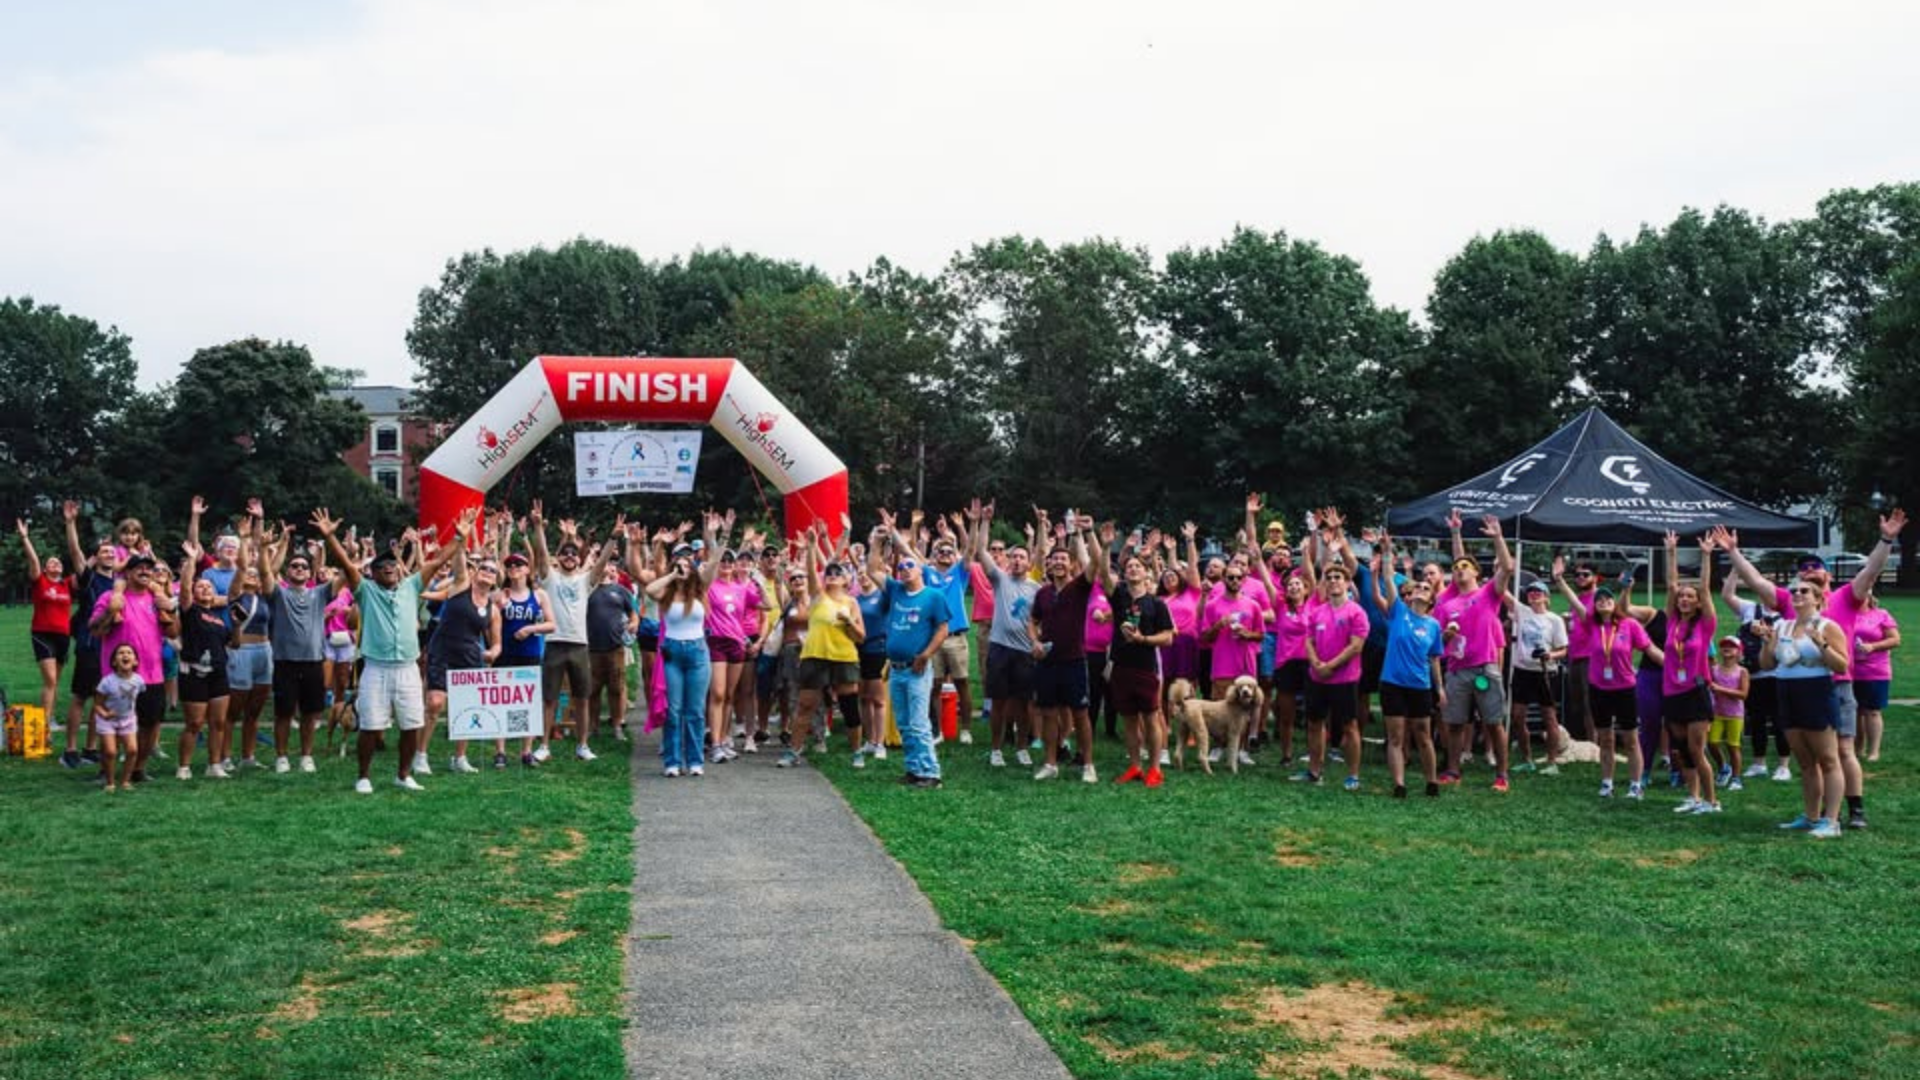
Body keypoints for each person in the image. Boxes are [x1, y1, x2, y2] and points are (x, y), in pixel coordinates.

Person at [1719, 510, 1906, 829]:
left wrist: (1886, 539)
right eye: (1802, 574)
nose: (1806, 579)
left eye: (1814, 571)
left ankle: (1854, 810)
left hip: (1836, 684)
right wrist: (1734, 552)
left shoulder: (1846, 597)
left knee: (1843, 751)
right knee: (1809, 757)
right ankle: (1814, 815)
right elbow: (1756, 581)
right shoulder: (1790, 604)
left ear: (1827, 577)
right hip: (1796, 687)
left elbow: (1871, 569)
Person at [313, 506, 470, 794]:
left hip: (408, 668)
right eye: (382, 567)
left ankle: (403, 774)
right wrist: (331, 537)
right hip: (376, 668)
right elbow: (348, 566)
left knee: (411, 724)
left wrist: (459, 538)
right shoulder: (366, 591)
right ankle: (363, 776)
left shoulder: (411, 586)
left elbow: (437, 562)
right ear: (372, 574)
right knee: (371, 726)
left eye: (392, 566)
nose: (389, 569)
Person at [1556, 559, 1658, 799]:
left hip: (1624, 689)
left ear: (1614, 604)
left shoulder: (1629, 625)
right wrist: (1559, 580)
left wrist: (1672, 665)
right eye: (1599, 600)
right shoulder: (1591, 625)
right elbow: (1573, 601)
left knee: (1631, 739)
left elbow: (1651, 650)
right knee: (1606, 738)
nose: (1603, 602)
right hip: (1599, 689)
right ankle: (1607, 783)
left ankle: (1635, 785)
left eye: (1607, 600)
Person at [1756, 577, 1850, 838]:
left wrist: (1821, 643)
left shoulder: (1828, 626)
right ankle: (1811, 816)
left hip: (1817, 692)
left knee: (1828, 760)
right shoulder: (1782, 625)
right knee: (1805, 761)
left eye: (1804, 591)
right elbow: (1766, 665)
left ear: (1818, 598)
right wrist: (1766, 641)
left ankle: (1831, 821)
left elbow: (1842, 666)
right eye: (1793, 590)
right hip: (1787, 692)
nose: (1797, 594)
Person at [1433, 513, 1515, 790]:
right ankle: (1453, 771)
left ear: (1477, 573)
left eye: (1466, 566)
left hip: (1485, 667)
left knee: (1493, 723)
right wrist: (1447, 636)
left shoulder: (1488, 593)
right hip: (1457, 671)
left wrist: (1498, 538)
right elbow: (1439, 643)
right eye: (1456, 568)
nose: (1459, 569)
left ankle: (1502, 775)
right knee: (1455, 724)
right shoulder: (1447, 604)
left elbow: (1507, 567)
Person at [1026, 511, 1106, 783]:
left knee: (1080, 714)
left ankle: (1088, 764)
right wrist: (1035, 641)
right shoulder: (1043, 593)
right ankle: (1050, 763)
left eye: (1063, 559)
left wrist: (1089, 532)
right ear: (1047, 565)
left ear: (1071, 565)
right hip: (1048, 662)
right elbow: (1033, 620)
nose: (1058, 563)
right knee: (1048, 713)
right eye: (1054, 559)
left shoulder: (1080, 587)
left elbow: (1096, 561)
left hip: (1074, 660)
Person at [645, 516, 723, 777]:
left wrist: (718, 536)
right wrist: (672, 574)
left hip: (698, 652)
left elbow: (713, 563)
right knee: (674, 710)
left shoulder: (700, 591)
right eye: (678, 564)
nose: (682, 568)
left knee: (695, 710)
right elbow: (649, 589)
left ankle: (695, 760)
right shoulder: (666, 594)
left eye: (686, 565)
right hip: (672, 653)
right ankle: (672, 761)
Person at [782, 527, 866, 769]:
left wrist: (849, 621)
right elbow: (810, 571)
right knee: (806, 704)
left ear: (847, 580)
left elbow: (860, 637)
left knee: (849, 706)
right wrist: (809, 547)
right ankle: (794, 751)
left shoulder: (851, 603)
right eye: (828, 572)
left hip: (843, 657)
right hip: (815, 656)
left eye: (837, 572)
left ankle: (856, 752)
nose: (831, 574)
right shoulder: (818, 596)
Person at [964, 499, 1040, 769]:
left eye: (1022, 557)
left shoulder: (1036, 588)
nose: (1017, 560)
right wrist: (984, 520)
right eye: (1014, 556)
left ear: (1029, 562)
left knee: (1023, 704)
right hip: (999, 648)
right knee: (998, 702)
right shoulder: (1000, 579)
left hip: (1024, 651)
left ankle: (1021, 748)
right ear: (1007, 562)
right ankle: (996, 749)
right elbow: (981, 551)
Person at [1368, 538, 1443, 798]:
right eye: (1418, 586)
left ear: (1432, 599)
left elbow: (1434, 659)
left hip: (1420, 685)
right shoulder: (1399, 611)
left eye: (1425, 587)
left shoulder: (1434, 626)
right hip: (1393, 683)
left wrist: (1440, 689)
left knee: (1423, 735)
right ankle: (1399, 784)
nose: (1420, 589)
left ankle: (1431, 781)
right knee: (1396, 736)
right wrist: (1387, 552)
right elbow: (1388, 578)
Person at [88, 552, 170, 784]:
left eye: (149, 568)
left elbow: (173, 633)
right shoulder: (111, 597)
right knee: (110, 724)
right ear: (128, 573)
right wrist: (111, 610)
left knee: (151, 722)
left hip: (152, 674)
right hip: (117, 677)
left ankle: (138, 769)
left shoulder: (156, 599)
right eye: (139, 568)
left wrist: (170, 610)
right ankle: (107, 772)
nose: (145, 571)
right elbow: (94, 630)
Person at [1298, 522, 1369, 790]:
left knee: (1349, 726)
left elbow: (1356, 646)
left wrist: (1330, 665)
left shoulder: (1356, 612)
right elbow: (1308, 640)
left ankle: (1353, 775)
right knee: (1315, 724)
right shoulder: (1317, 611)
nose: (1332, 581)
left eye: (1338, 577)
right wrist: (1317, 664)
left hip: (1345, 679)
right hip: (1318, 677)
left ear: (1348, 582)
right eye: (1329, 578)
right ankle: (1314, 771)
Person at [260, 523, 334, 775]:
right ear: (287, 570)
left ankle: (306, 756)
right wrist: (265, 548)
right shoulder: (279, 594)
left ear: (310, 571)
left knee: (311, 714)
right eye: (294, 565)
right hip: (285, 663)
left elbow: (347, 574)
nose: (299, 569)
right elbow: (265, 575)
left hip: (313, 662)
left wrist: (331, 539)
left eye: (304, 566)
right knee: (283, 713)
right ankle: (281, 757)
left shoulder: (321, 593)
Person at [879, 541, 952, 787]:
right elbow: (872, 569)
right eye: (900, 567)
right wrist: (878, 539)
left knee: (919, 723)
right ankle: (914, 769)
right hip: (897, 669)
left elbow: (943, 629)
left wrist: (925, 655)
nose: (904, 569)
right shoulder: (896, 591)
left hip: (917, 669)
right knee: (904, 723)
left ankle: (931, 773)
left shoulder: (933, 597)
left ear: (921, 570)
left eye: (910, 565)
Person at [425, 545, 502, 775]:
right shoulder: (460, 586)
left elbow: (497, 643)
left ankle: (460, 757)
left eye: (492, 570)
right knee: (435, 703)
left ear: (497, 580)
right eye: (484, 568)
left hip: (469, 658)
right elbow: (459, 563)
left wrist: (493, 653)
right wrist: (461, 539)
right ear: (476, 572)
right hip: (443, 652)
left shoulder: (493, 609)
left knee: (467, 709)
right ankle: (420, 755)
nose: (487, 571)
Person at [1661, 531, 1721, 815]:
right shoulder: (1672, 621)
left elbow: (1707, 589)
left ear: (1697, 603)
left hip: (1696, 691)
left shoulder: (1705, 625)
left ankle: (1712, 801)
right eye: (1682, 596)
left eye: (1690, 597)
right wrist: (1671, 552)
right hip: (1672, 691)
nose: (1684, 599)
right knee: (1681, 749)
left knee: (1698, 750)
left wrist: (1706, 556)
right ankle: (1693, 797)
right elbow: (1672, 584)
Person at [1102, 552, 1174, 787]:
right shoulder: (1119, 598)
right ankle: (1135, 766)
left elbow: (1167, 637)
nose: (1133, 569)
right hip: (1121, 667)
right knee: (1129, 720)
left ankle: (1155, 768)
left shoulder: (1156, 604)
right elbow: (1102, 573)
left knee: (1151, 718)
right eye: (1129, 566)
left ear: (1146, 573)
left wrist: (1143, 639)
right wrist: (1104, 546)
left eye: (1137, 566)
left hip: (1146, 668)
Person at [59, 501, 119, 769]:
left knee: (102, 696)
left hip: (111, 647)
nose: (109, 554)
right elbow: (75, 552)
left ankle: (91, 748)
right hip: (89, 644)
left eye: (112, 552)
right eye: (104, 552)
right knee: (81, 696)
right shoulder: (90, 578)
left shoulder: (119, 583)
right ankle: (70, 750)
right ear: (97, 556)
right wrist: (71, 523)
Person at [1723, 571, 1789, 783]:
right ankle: (1759, 763)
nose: (1764, 593)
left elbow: (1787, 648)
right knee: (1757, 719)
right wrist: (1735, 570)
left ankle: (1783, 765)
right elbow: (1727, 596)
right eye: (1761, 590)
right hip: (1753, 674)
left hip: (1777, 674)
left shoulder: (1786, 616)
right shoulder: (1750, 609)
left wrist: (1766, 635)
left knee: (1780, 720)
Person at [174, 541, 232, 779]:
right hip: (194, 671)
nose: (205, 589)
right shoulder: (190, 611)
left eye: (209, 586)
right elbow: (185, 588)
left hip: (218, 672)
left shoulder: (219, 620)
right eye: (201, 587)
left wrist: (239, 625)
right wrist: (190, 561)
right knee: (195, 723)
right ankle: (184, 766)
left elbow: (230, 642)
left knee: (218, 722)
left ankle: (214, 764)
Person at [492, 552, 555, 767]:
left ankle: (526, 751)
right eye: (510, 565)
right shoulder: (499, 595)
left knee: (527, 702)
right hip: (504, 653)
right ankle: (500, 751)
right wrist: (499, 608)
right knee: (501, 701)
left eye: (519, 564)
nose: (514, 568)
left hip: (529, 654)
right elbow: (487, 622)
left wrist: (530, 629)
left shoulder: (539, 595)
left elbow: (551, 624)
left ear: (528, 569)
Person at [922, 523, 977, 746]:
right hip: (933, 637)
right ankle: (936, 730)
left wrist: (970, 524)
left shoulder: (959, 574)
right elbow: (909, 554)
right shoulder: (927, 573)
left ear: (954, 556)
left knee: (962, 682)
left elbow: (971, 549)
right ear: (933, 556)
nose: (945, 555)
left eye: (949, 552)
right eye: (940, 552)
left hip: (956, 637)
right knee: (933, 685)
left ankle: (965, 729)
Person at [16, 518, 71, 739]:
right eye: (51, 562)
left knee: (54, 682)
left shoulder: (66, 585)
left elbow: (85, 567)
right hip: (42, 634)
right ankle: (45, 726)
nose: (55, 564)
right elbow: (33, 561)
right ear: (46, 568)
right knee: (50, 679)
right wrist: (24, 537)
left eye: (58, 562)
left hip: (63, 636)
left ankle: (51, 717)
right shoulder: (40, 582)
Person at [1508, 579, 1569, 774]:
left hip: (1545, 671)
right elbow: (1501, 592)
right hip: (1522, 670)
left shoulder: (1554, 620)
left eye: (1538, 592)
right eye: (1530, 592)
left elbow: (1563, 650)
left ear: (1546, 597)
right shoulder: (1521, 612)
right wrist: (1500, 567)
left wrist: (1550, 655)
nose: (1534, 594)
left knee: (1549, 717)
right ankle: (1527, 759)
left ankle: (1552, 762)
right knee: (1517, 716)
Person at [586, 546, 640, 745]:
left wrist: (634, 624)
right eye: (603, 563)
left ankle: (617, 725)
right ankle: (593, 726)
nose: (606, 567)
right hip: (591, 648)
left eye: (609, 564)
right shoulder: (588, 589)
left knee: (616, 689)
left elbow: (633, 613)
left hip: (616, 647)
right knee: (593, 690)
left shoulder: (621, 591)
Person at [1852, 592, 1899, 763]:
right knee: (1855, 711)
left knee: (1872, 711)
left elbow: (1895, 639)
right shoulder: (1846, 614)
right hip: (1850, 670)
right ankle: (1858, 749)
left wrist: (1872, 646)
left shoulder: (1881, 615)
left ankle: (1874, 751)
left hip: (1875, 671)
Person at [93, 644, 145, 792]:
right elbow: (97, 704)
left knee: (132, 750)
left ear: (135, 661)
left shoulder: (139, 681)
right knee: (110, 751)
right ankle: (110, 782)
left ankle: (125, 781)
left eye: (129, 653)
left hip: (128, 719)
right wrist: (104, 714)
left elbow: (136, 699)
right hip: (107, 720)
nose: (125, 655)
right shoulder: (107, 682)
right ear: (114, 662)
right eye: (120, 653)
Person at [1707, 635, 1749, 790]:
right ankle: (1724, 767)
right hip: (1717, 712)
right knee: (1712, 742)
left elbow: (1743, 695)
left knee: (1733, 746)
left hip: (1735, 714)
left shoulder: (1742, 672)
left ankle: (1736, 778)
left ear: (1738, 651)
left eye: (1731, 646)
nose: (1727, 648)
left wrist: (1720, 689)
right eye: (1724, 645)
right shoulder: (1714, 670)